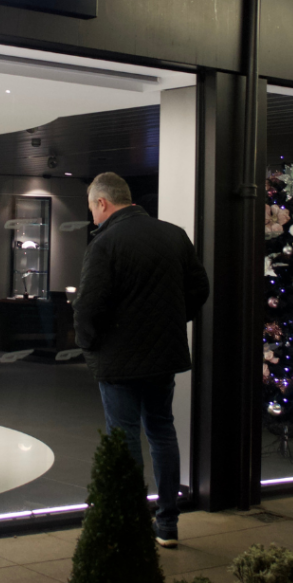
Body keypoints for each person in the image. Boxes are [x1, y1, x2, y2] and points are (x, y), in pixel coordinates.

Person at [73, 171, 210, 547]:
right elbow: (200, 288)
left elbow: (88, 306)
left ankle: (131, 522)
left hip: (118, 360)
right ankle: (167, 525)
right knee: (162, 431)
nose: (92, 217)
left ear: (102, 203)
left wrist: (88, 344)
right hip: (163, 355)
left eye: (91, 208)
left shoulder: (105, 243)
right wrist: (169, 320)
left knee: (124, 436)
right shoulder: (173, 234)